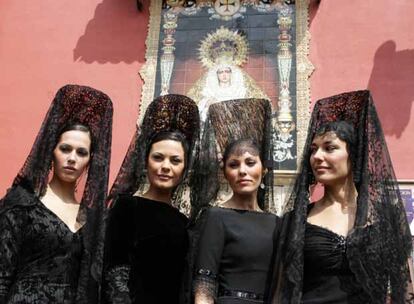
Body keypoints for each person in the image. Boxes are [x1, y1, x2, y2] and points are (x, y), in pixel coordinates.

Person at [268, 90, 414, 303]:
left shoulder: (387, 218)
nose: (317, 157)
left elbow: (404, 291)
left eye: (330, 148)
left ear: (353, 156)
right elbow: (281, 292)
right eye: (313, 150)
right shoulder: (295, 221)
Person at [0, 84, 113, 304]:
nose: (72, 158)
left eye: (81, 152)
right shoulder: (22, 204)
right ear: (51, 151)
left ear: (90, 160)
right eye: (65, 149)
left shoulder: (91, 220)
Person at [103, 94, 200, 304]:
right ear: (145, 161)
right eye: (158, 157)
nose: (166, 166)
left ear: (184, 169)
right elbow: (115, 271)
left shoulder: (185, 222)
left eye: (175, 161)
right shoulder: (127, 206)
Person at [188, 98, 279, 304]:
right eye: (233, 164)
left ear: (264, 170)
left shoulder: (277, 223)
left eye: (250, 162)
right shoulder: (215, 216)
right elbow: (204, 283)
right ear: (225, 173)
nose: (242, 171)